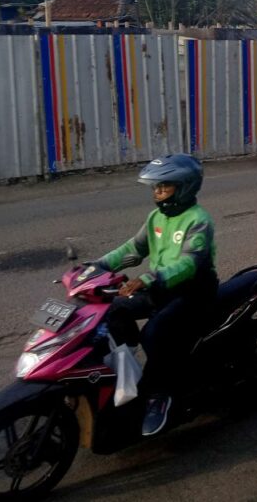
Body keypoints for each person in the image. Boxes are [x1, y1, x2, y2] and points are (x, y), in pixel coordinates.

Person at [97, 154, 218, 437]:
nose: (157, 193)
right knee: (111, 311)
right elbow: (133, 249)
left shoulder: (199, 220)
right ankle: (128, 375)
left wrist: (149, 278)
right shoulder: (156, 218)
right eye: (155, 188)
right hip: (159, 288)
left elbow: (190, 262)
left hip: (193, 291)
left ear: (184, 187)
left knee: (154, 334)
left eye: (164, 187)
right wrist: (97, 266)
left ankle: (159, 395)